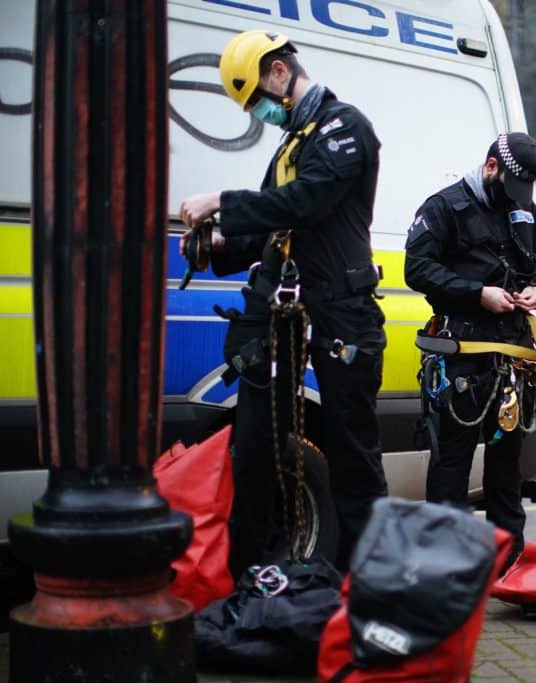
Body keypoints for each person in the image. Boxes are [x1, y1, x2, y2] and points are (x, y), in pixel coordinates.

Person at [178, 30, 388, 575]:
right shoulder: (291, 145)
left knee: (351, 456)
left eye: (257, 102)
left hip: (342, 310)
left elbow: (307, 201)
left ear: (278, 71)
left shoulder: (346, 129)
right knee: (254, 452)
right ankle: (254, 578)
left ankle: (365, 590)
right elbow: (277, 223)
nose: (260, 114)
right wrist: (216, 245)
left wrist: (221, 201)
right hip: (280, 315)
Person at [404, 132, 536, 566]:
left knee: (507, 465)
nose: (516, 199)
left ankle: (506, 562)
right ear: (491, 166)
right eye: (511, 186)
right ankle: (444, 564)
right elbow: (417, 269)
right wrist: (477, 293)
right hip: (464, 348)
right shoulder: (443, 207)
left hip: (513, 351)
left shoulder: (523, 206)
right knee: (452, 459)